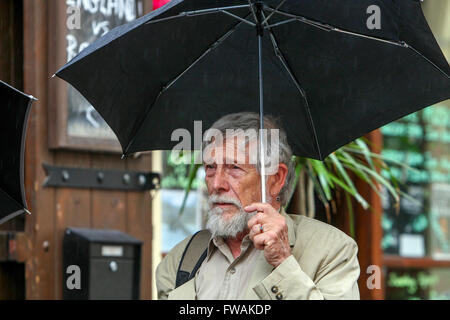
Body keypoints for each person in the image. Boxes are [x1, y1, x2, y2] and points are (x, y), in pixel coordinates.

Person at [156, 112, 360, 300]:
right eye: (210, 167)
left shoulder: (332, 251)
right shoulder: (181, 259)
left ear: (276, 178)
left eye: (234, 167)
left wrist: (283, 262)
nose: (217, 184)